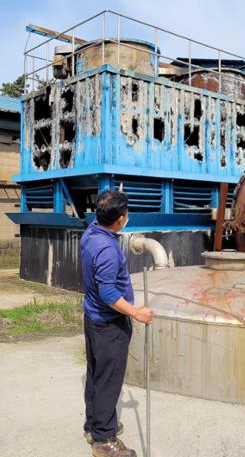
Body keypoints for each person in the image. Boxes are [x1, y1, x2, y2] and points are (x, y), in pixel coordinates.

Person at [81, 189, 153, 457]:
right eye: (125, 214)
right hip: (109, 323)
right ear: (121, 220)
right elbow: (109, 294)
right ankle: (103, 439)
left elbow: (105, 212)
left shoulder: (91, 234)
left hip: (92, 318)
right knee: (110, 380)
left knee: (96, 375)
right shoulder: (108, 250)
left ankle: (94, 424)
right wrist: (136, 312)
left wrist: (113, 199)